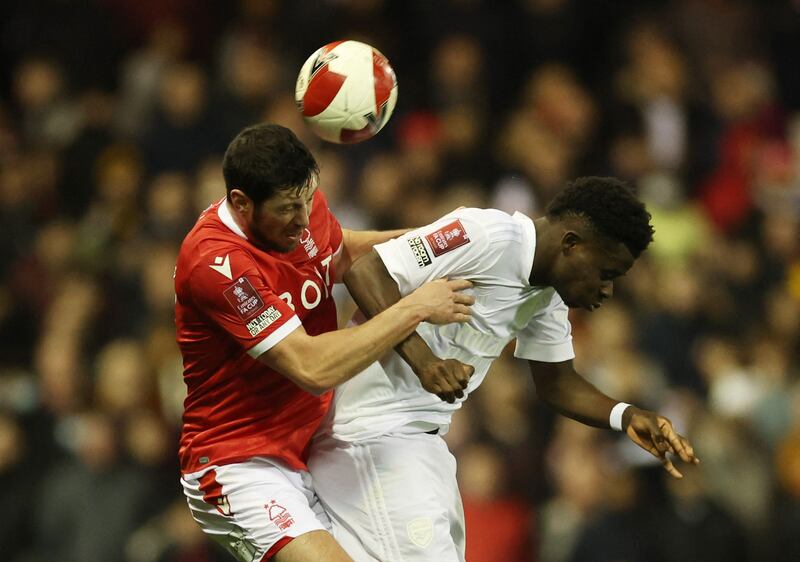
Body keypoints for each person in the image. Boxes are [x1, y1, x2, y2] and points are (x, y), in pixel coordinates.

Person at [308, 176, 700, 562]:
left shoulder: (546, 296)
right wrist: (423, 359)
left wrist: (625, 415)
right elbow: (366, 271)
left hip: (422, 442)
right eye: (606, 273)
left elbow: (556, 383)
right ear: (571, 245)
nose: (607, 290)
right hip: (370, 431)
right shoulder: (486, 234)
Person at [174, 123, 474, 562]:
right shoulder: (217, 265)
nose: (304, 216)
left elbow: (342, 252)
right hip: (236, 464)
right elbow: (312, 369)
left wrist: (446, 239)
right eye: (288, 208)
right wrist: (415, 307)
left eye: (308, 198)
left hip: (309, 451)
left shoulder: (302, 208)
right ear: (241, 202)